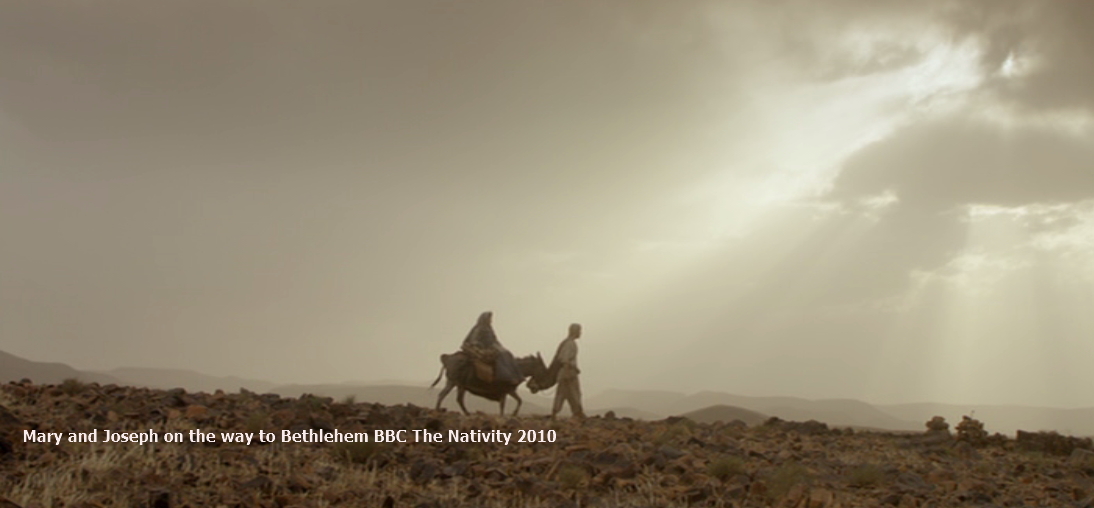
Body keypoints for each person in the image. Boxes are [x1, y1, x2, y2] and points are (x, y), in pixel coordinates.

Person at [460, 311, 521, 385]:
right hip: (482, 348)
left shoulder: (489, 328)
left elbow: (494, 339)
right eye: (489, 319)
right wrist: (481, 347)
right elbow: (474, 340)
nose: (491, 321)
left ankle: (516, 375)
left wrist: (500, 347)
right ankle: (504, 376)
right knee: (500, 356)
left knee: (507, 353)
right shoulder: (480, 328)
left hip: (492, 347)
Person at [551, 323, 586, 419]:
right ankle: (578, 413)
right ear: (575, 332)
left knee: (563, 393)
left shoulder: (567, 343)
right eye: (579, 331)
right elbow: (565, 359)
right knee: (574, 393)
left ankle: (555, 413)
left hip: (567, 372)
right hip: (568, 372)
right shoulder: (570, 344)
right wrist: (567, 373)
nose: (580, 333)